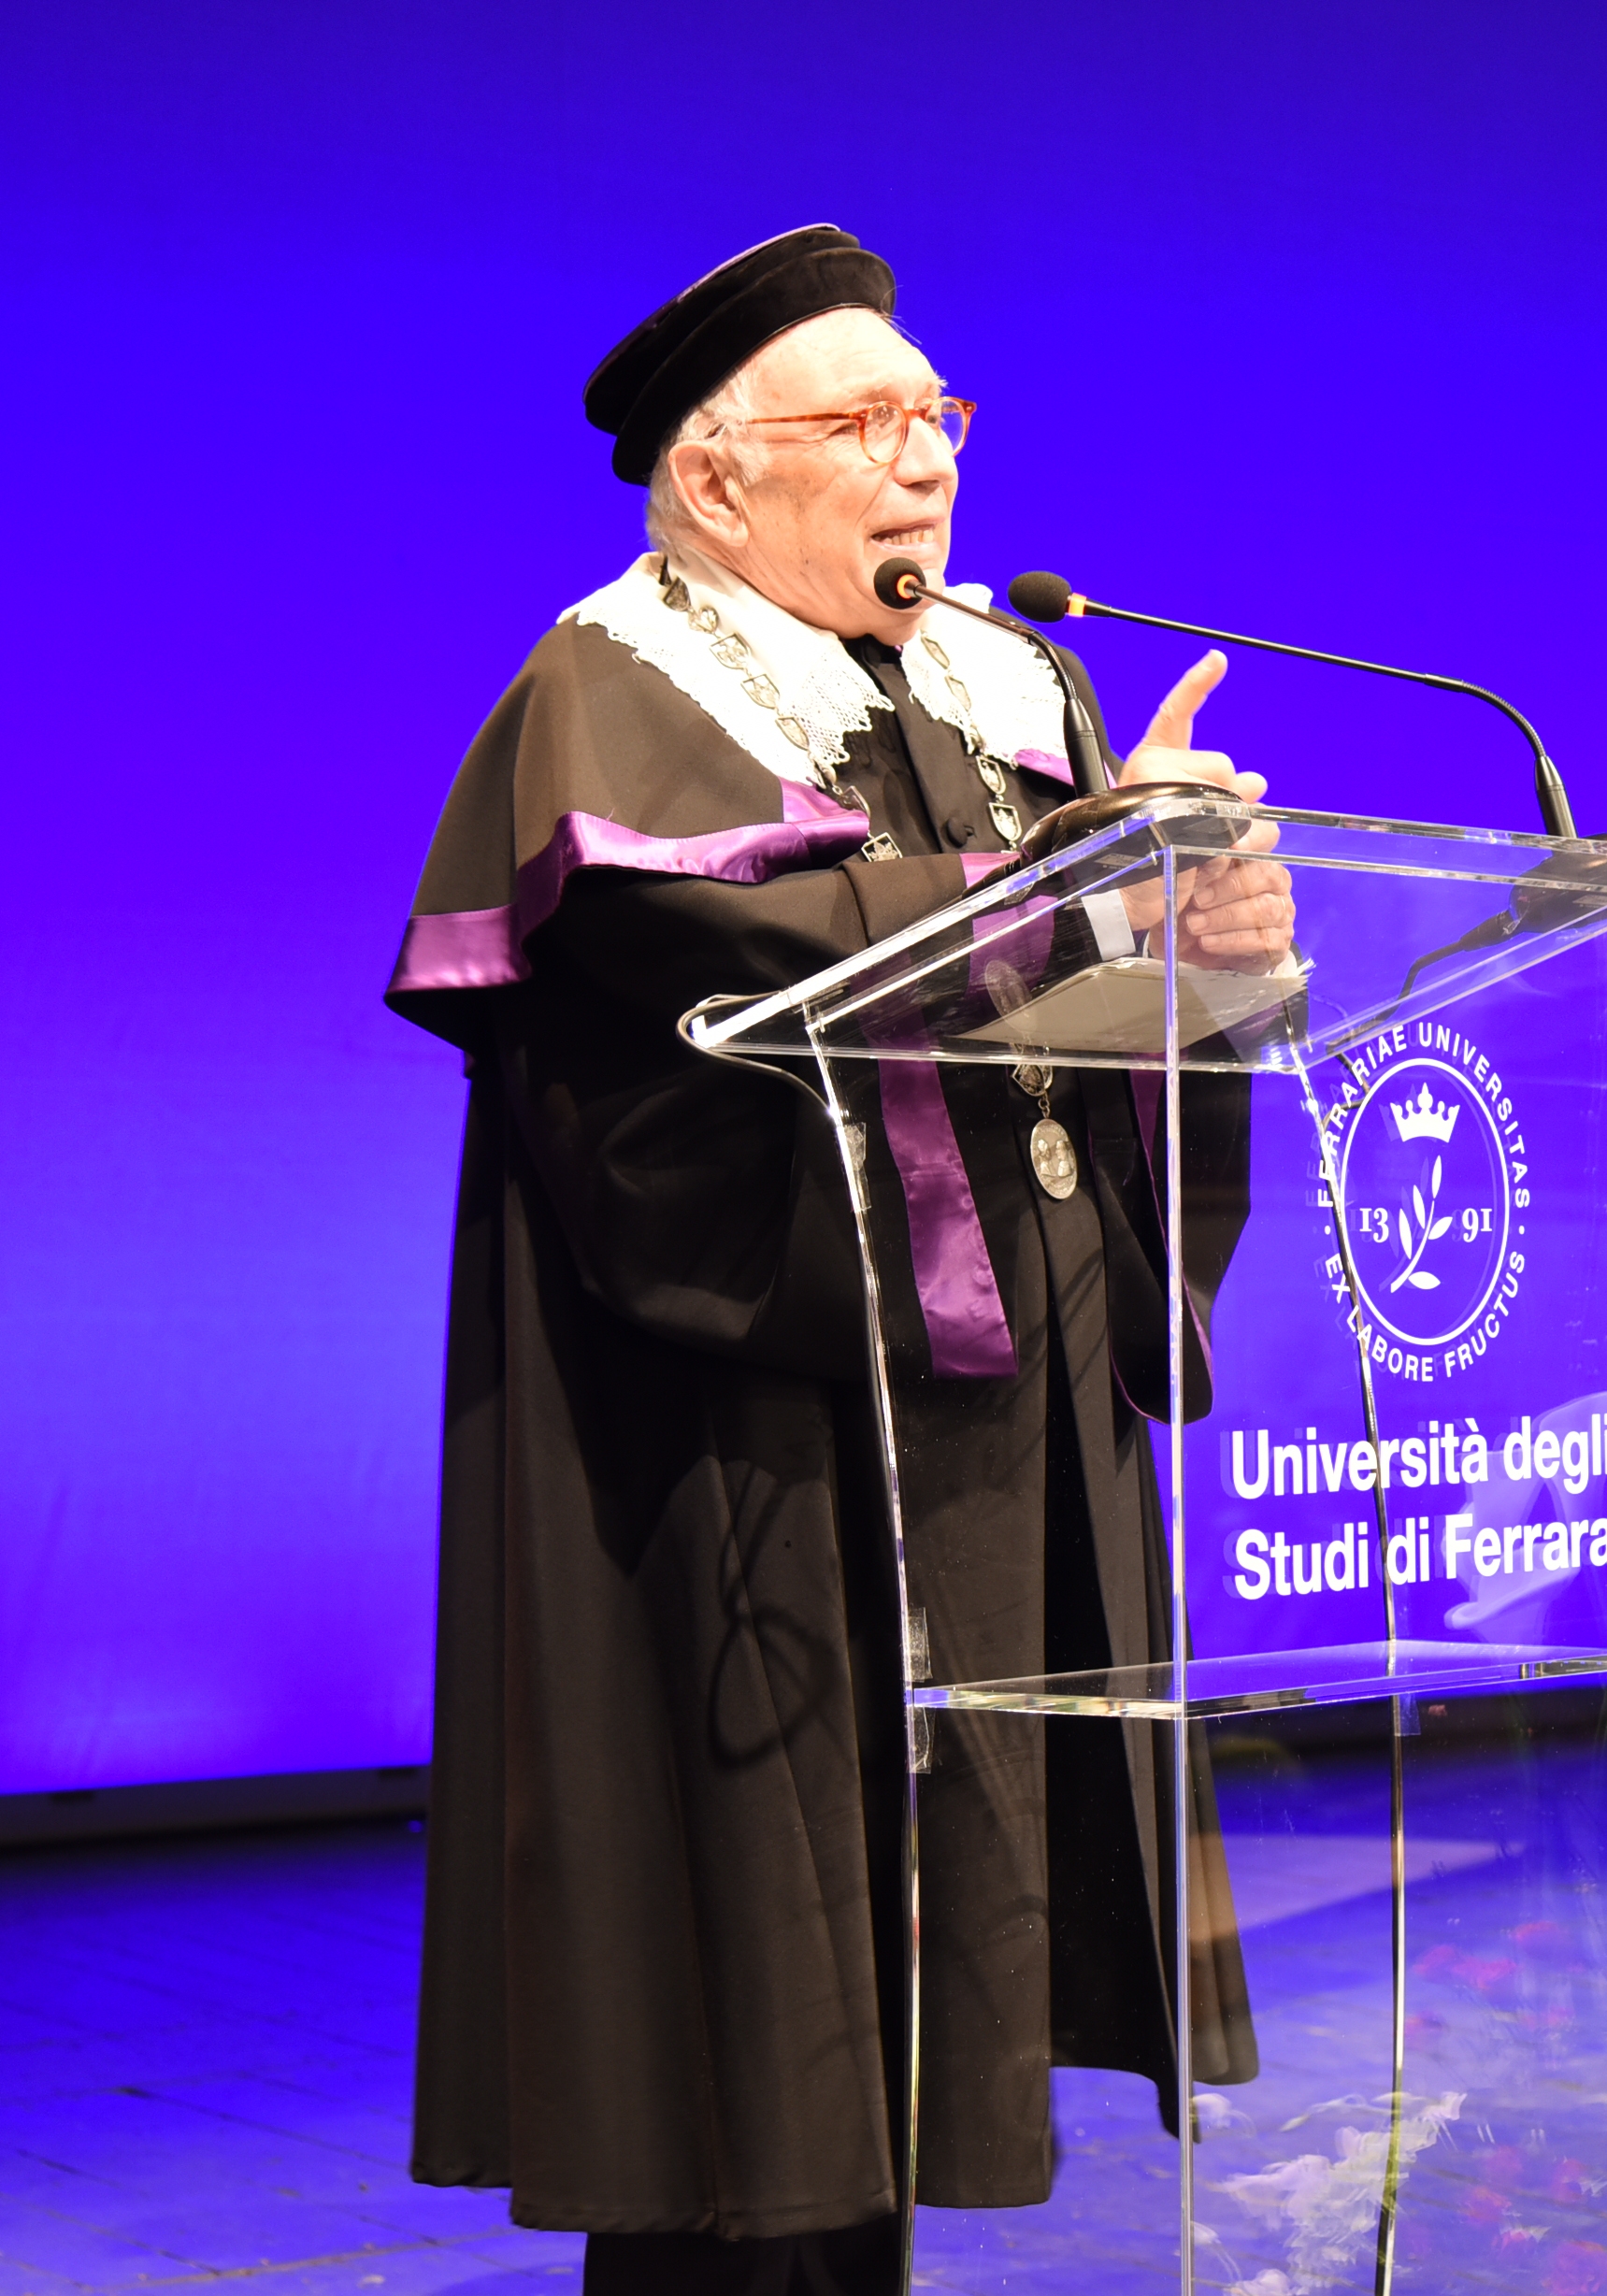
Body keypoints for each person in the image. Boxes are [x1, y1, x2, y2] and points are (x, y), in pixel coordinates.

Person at [382, 225, 1295, 2294]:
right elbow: (761, 963)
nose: (929, 462)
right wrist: (1099, 894)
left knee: (918, 2011)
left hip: (1000, 1421)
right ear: (715, 478)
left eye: (936, 415)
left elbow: (1080, 995)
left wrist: (1220, 959)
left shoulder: (1010, 686)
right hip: (757, 1434)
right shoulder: (618, 690)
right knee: (760, 2056)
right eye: (865, 425)